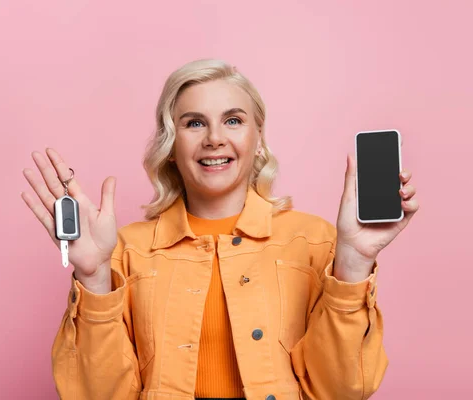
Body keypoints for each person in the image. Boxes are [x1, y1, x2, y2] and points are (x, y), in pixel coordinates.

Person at [21, 59, 419, 400]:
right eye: (194, 123)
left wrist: (353, 264)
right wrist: (92, 278)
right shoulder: (125, 250)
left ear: (258, 138)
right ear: (171, 144)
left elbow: (342, 389)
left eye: (233, 120)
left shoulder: (315, 242)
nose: (214, 138)